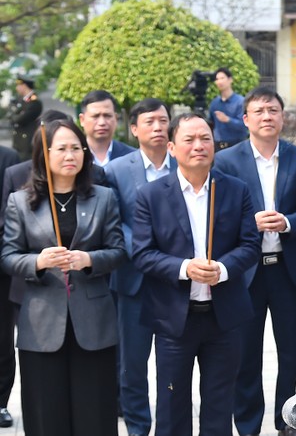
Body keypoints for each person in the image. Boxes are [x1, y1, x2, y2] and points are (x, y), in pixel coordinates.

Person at [132, 113, 261, 436]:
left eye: (205, 138)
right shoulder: (151, 195)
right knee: (172, 404)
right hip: (174, 318)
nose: (198, 146)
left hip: (224, 316)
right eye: (189, 140)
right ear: (172, 147)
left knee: (219, 404)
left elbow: (250, 244)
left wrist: (223, 268)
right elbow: (142, 253)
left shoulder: (235, 190)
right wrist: (184, 268)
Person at [0, 119, 126, 436]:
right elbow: (8, 256)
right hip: (41, 321)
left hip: (93, 321)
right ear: (45, 154)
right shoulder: (21, 201)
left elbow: (118, 251)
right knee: (46, 415)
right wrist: (38, 262)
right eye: (62, 148)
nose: (70, 155)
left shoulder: (103, 197)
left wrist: (89, 259)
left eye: (76, 148)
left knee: (94, 414)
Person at [214, 87, 296, 436]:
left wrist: (287, 222)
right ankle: (247, 426)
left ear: (282, 117)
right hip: (245, 274)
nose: (266, 117)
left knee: (291, 355)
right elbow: (221, 217)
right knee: (245, 356)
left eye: (273, 110)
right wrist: (250, 224)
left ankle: (288, 423)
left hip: (288, 271)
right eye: (258, 111)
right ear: (245, 119)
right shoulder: (226, 161)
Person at [104, 98, 174, 436]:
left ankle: (169, 427)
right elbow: (115, 223)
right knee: (132, 366)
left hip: (177, 282)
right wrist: (150, 254)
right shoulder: (116, 170)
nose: (158, 127)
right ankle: (137, 428)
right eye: (150, 122)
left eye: (163, 121)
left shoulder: (184, 163)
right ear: (134, 129)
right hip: (133, 280)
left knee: (171, 364)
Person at [0, 146, 20, 429]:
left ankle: (0, 402)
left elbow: (11, 213)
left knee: (2, 338)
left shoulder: (8, 158)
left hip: (1, 266)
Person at [78, 90, 135, 167]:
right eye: (95, 116)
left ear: (116, 118)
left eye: (107, 116)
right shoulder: (74, 156)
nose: (102, 122)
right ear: (82, 120)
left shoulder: (132, 157)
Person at [210, 67, 248, 151]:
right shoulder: (215, 103)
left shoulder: (240, 102)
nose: (219, 81)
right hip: (218, 146)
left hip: (237, 145)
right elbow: (211, 124)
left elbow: (245, 125)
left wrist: (228, 120)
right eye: (217, 79)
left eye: (222, 78)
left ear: (230, 80)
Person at [9, 76, 42, 161]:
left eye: (18, 85)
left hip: (27, 144)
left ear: (24, 86)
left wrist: (14, 116)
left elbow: (19, 119)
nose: (17, 88)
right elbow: (11, 116)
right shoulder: (21, 100)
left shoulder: (35, 102)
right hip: (18, 143)